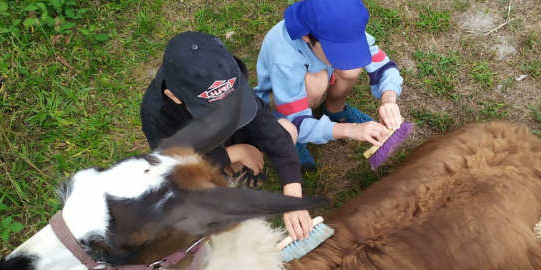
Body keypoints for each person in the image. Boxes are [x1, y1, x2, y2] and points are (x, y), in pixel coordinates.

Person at [140, 31, 313, 241]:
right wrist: (234, 153)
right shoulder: (158, 117)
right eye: (211, 111)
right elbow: (173, 167)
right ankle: (237, 170)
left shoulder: (227, 80)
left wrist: (293, 198)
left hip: (239, 132)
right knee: (198, 196)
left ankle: (244, 168)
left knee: (287, 130)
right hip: (203, 151)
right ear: (173, 96)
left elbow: (272, 131)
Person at [254, 0, 405, 170]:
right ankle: (295, 141)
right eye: (336, 51)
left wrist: (389, 99)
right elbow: (295, 120)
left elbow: (384, 66)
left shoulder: (343, 29)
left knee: (351, 68)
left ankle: (334, 110)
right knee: (315, 83)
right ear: (306, 36)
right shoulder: (285, 59)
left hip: (322, 78)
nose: (346, 56)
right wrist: (350, 130)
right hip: (284, 100)